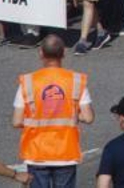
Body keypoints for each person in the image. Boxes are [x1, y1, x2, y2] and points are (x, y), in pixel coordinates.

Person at [13, 34, 94, 188]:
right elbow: (88, 117)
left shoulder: (28, 82)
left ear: (41, 53)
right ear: (63, 53)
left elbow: (17, 121)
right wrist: (74, 114)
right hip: (66, 152)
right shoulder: (76, 80)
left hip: (36, 153)